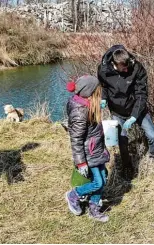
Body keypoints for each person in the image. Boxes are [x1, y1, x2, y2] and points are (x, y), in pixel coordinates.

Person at [97, 45, 154, 178]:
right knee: (123, 140)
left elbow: (141, 94)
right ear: (114, 63)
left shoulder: (136, 68)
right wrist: (104, 98)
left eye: (128, 65)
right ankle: (127, 167)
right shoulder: (103, 69)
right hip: (117, 110)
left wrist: (134, 116)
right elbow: (104, 85)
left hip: (137, 108)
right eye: (124, 67)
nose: (127, 68)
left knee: (152, 135)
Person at [65, 75, 110, 223]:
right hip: (88, 153)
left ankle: (94, 209)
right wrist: (81, 163)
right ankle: (74, 195)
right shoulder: (80, 112)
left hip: (96, 149)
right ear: (90, 92)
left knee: (103, 179)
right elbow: (76, 139)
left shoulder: (87, 105)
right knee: (98, 182)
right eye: (98, 90)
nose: (100, 92)